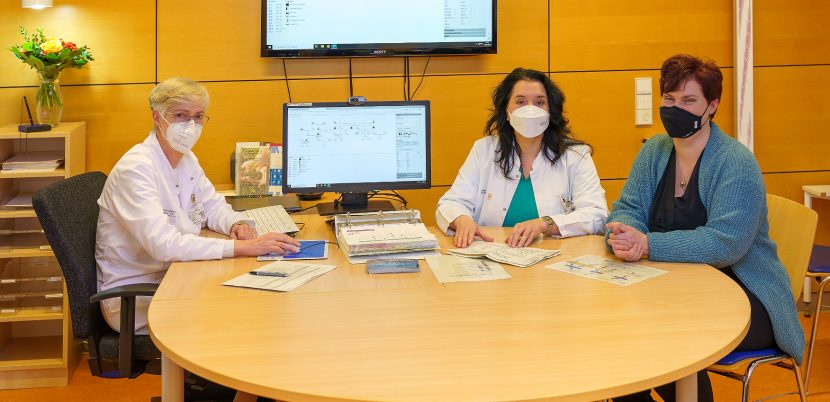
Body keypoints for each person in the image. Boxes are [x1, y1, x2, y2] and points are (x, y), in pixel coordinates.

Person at [605, 54, 804, 402]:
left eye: (688, 101)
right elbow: (627, 209)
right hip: (674, 290)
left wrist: (647, 245)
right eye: (669, 99)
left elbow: (725, 245)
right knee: (618, 331)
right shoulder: (654, 151)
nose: (675, 108)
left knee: (663, 334)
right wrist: (626, 236)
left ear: (712, 106)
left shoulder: (735, 161)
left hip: (746, 296)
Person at [96, 77, 300, 336]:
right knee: (244, 313)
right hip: (137, 297)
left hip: (176, 275)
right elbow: (163, 246)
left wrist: (235, 223)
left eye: (198, 116)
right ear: (157, 117)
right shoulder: (136, 169)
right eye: (181, 115)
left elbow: (213, 206)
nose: (191, 126)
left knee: (258, 295)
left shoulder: (186, 159)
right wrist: (241, 248)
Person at [436, 67, 607, 248]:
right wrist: (462, 220)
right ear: (506, 111)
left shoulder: (575, 155)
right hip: (492, 254)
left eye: (540, 102)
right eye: (521, 102)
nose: (530, 109)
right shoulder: (484, 150)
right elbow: (451, 203)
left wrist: (545, 224)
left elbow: (597, 215)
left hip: (555, 258)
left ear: (550, 111)